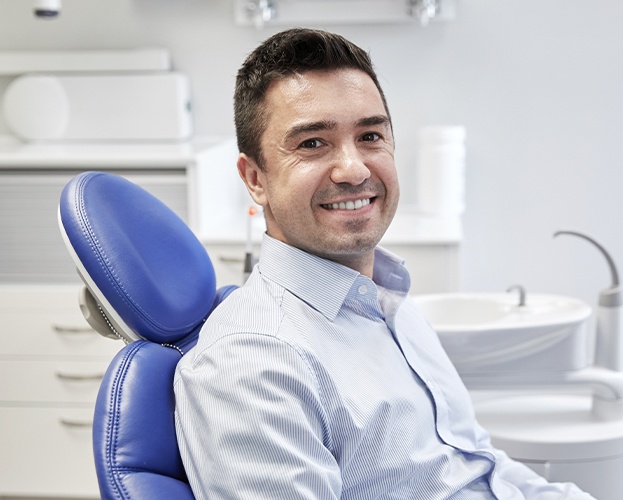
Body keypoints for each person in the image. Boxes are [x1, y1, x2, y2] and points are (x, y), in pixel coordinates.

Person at [174, 28, 594, 499]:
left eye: (370, 135)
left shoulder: (389, 302)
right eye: (313, 143)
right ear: (255, 179)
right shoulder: (254, 364)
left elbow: (479, 462)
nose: (353, 169)